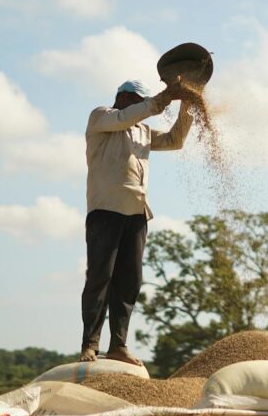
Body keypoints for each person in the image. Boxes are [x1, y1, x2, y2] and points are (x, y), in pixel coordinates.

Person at [79, 79, 191, 365]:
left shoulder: (142, 131)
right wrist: (161, 100)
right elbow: (125, 118)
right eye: (138, 101)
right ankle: (90, 345)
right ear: (124, 97)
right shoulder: (102, 117)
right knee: (99, 278)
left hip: (137, 213)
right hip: (106, 210)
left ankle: (118, 345)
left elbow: (175, 140)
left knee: (129, 282)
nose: (142, 107)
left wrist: (188, 105)